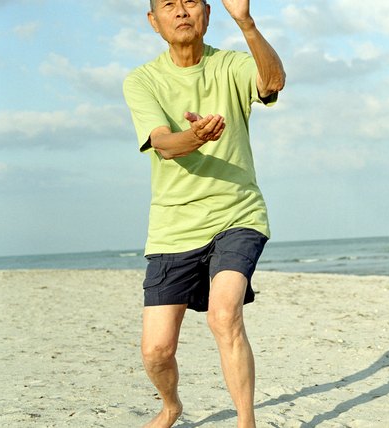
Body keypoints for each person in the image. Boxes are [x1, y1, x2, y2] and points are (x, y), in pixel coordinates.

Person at [122, 0, 285, 426]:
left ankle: (245, 421)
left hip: (237, 213)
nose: (181, 12)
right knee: (156, 351)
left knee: (224, 313)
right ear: (153, 21)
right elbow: (163, 144)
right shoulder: (142, 80)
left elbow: (272, 81)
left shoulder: (231, 65)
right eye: (169, 6)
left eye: (190, 2)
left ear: (207, 14)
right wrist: (192, 137)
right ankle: (172, 405)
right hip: (173, 226)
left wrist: (246, 22)